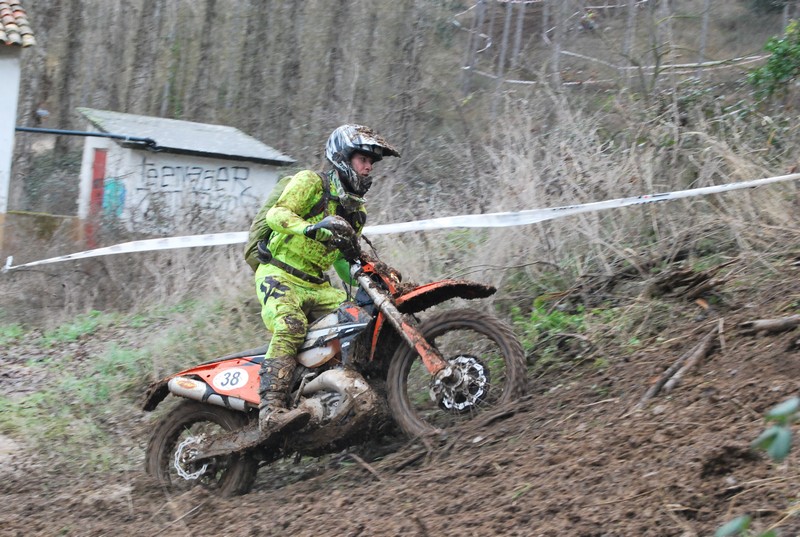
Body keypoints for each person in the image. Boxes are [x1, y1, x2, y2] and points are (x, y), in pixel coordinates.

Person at [254, 124, 400, 437]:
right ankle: (271, 410)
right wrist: (311, 227)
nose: (369, 166)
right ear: (344, 157)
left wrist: (370, 275)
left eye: (372, 161)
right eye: (363, 158)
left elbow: (343, 264)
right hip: (279, 274)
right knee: (290, 326)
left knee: (361, 319)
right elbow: (276, 215)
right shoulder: (311, 182)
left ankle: (352, 400)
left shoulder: (355, 210)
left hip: (318, 287)